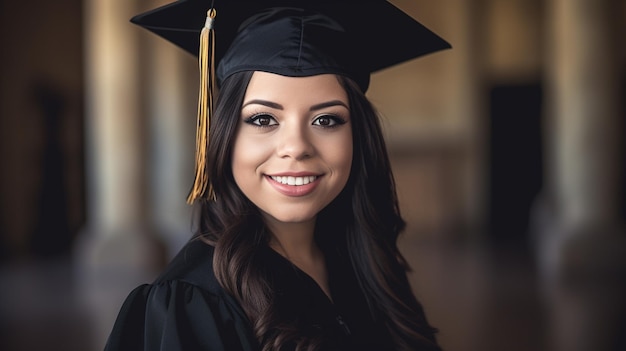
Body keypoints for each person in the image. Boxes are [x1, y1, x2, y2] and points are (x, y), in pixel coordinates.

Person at [104, 0, 450, 350]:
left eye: (326, 120)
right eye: (263, 119)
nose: (296, 147)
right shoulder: (192, 303)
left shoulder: (366, 263)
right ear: (224, 134)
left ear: (358, 136)